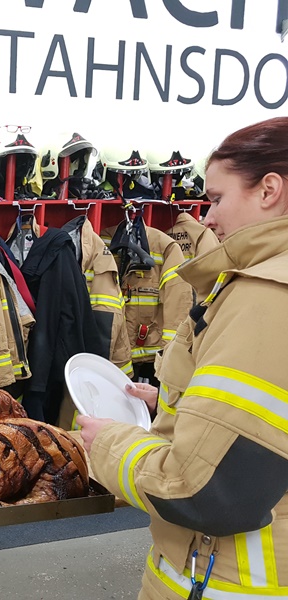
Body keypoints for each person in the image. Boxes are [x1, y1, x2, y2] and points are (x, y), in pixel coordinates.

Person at [77, 116, 288, 599]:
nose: (206, 218)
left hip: (227, 581)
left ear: (268, 189)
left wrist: (110, 442)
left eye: (215, 198)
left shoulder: (267, 296)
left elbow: (200, 488)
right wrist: (178, 403)